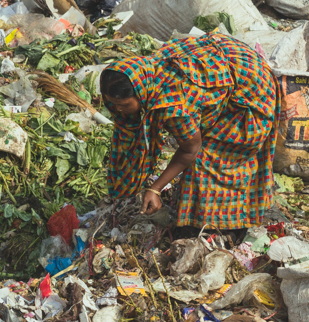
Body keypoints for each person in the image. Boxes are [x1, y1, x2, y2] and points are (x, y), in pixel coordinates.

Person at [100, 34, 280, 241]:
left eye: (124, 105)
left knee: (212, 160)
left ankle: (222, 226)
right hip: (230, 66)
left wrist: (155, 188)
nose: (118, 110)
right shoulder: (147, 71)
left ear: (140, 93)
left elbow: (190, 149)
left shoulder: (174, 107)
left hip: (252, 90)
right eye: (112, 103)